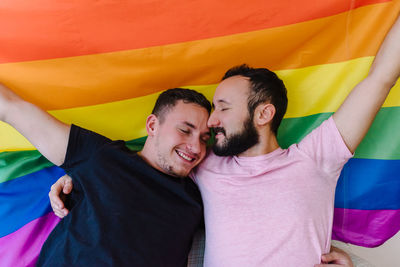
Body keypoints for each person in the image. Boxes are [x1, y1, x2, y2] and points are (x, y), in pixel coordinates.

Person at [51, 13, 400, 266]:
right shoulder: (204, 163)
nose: (212, 121)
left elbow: (380, 78)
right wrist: (79, 180)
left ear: (263, 115)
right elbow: (146, 164)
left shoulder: (315, 157)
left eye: (223, 108)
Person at [0, 87, 212, 266]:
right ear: (152, 125)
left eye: (204, 138)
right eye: (185, 130)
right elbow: (13, 109)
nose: (196, 147)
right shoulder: (103, 156)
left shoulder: (200, 198)